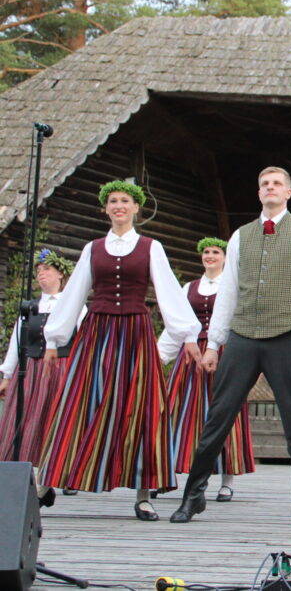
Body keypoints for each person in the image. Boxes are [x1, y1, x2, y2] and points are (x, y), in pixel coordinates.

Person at [170, 166, 291, 529]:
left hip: (286, 333)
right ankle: (193, 495)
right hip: (243, 334)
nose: (270, 188)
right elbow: (228, 293)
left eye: (277, 184)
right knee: (218, 416)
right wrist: (214, 342)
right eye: (264, 184)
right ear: (259, 192)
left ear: (288, 193)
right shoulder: (241, 236)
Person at [37, 181, 202, 520]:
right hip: (97, 331)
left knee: (141, 406)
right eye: (113, 201)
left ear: (136, 208)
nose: (118, 206)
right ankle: (46, 483)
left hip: (135, 333)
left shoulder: (150, 247)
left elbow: (170, 292)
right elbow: (74, 295)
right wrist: (54, 338)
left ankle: (143, 495)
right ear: (105, 209)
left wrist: (186, 335)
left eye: (124, 201)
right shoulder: (93, 248)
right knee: (79, 400)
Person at [158, 237, 255, 502]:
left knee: (226, 412)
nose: (210, 256)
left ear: (225, 258)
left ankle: (227, 480)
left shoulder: (232, 286)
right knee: (181, 412)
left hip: (224, 353)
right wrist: (159, 355)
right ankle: (174, 475)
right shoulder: (188, 287)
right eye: (206, 252)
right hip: (191, 354)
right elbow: (175, 324)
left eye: (215, 252)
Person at [0, 249, 84, 504]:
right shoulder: (32, 306)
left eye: (46, 269)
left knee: (55, 421)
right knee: (24, 421)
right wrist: (6, 375)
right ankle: (28, 479)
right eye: (38, 271)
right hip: (32, 370)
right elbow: (18, 342)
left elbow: (83, 341)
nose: (41, 274)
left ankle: (57, 477)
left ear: (60, 273)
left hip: (62, 368)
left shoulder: (75, 305)